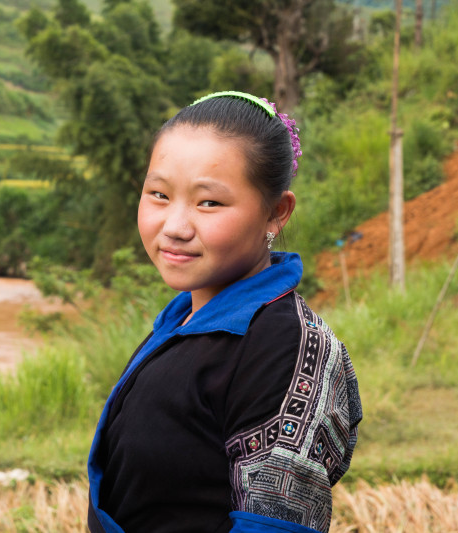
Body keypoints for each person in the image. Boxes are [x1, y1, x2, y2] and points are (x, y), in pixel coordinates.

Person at [86, 91, 362, 533]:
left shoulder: (282, 345)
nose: (174, 226)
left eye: (208, 202)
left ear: (276, 213)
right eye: (158, 194)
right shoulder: (183, 319)